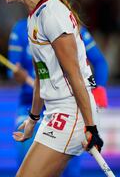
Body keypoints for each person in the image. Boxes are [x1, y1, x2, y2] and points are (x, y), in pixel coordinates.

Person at [0, 0, 104, 176]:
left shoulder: (52, 13)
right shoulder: (33, 17)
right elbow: (40, 76)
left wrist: (91, 127)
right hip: (53, 113)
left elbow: (75, 75)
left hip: (71, 113)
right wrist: (32, 120)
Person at [7, 18, 109, 176]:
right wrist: (17, 74)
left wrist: (98, 88)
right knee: (25, 159)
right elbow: (13, 69)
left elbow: (99, 63)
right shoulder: (22, 29)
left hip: (68, 106)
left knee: (70, 169)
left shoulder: (74, 28)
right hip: (31, 103)